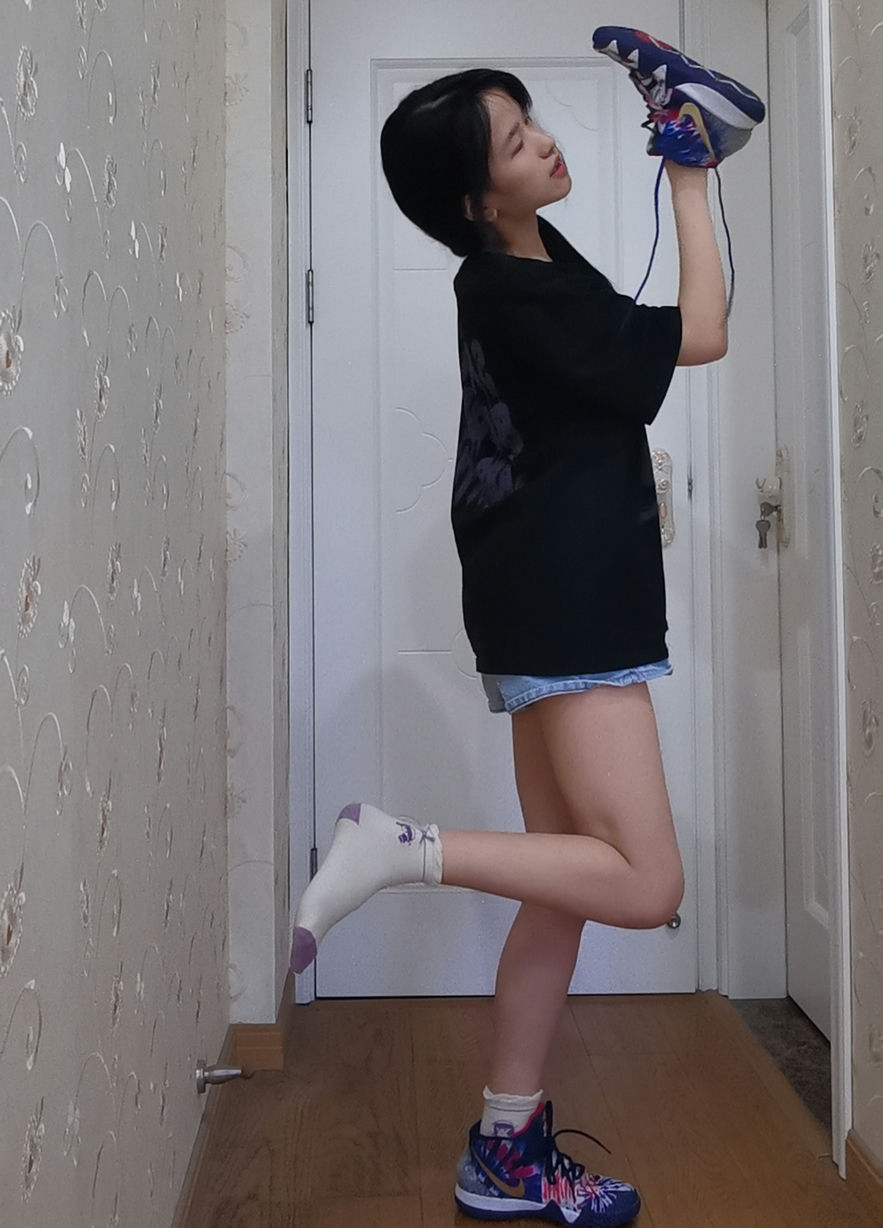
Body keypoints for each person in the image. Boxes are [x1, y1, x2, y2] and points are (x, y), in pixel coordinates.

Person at [292, 31, 764, 1227]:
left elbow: (638, 351)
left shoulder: (532, 261)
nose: (544, 142)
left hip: (535, 597)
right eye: (515, 141)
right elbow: (702, 331)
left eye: (531, 118)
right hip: (569, 601)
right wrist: (693, 177)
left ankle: (504, 1148)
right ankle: (398, 849)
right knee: (644, 879)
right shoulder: (512, 286)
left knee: (562, 886)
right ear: (473, 199)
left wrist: (685, 138)